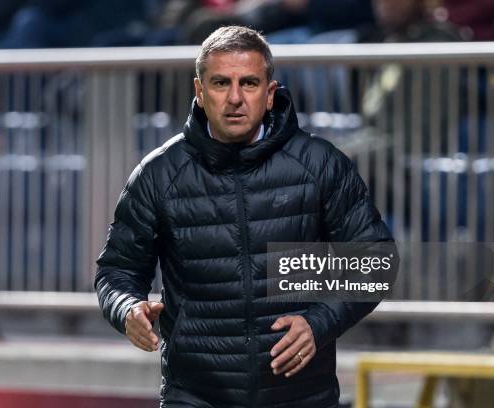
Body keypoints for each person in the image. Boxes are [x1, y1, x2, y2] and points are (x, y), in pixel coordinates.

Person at [95, 26, 396, 407]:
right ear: (200, 93)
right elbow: (116, 272)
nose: (235, 98)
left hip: (301, 396)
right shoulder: (159, 174)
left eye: (249, 83)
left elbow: (376, 260)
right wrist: (128, 309)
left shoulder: (320, 164)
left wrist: (318, 323)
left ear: (270, 94)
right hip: (195, 396)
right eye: (221, 83)